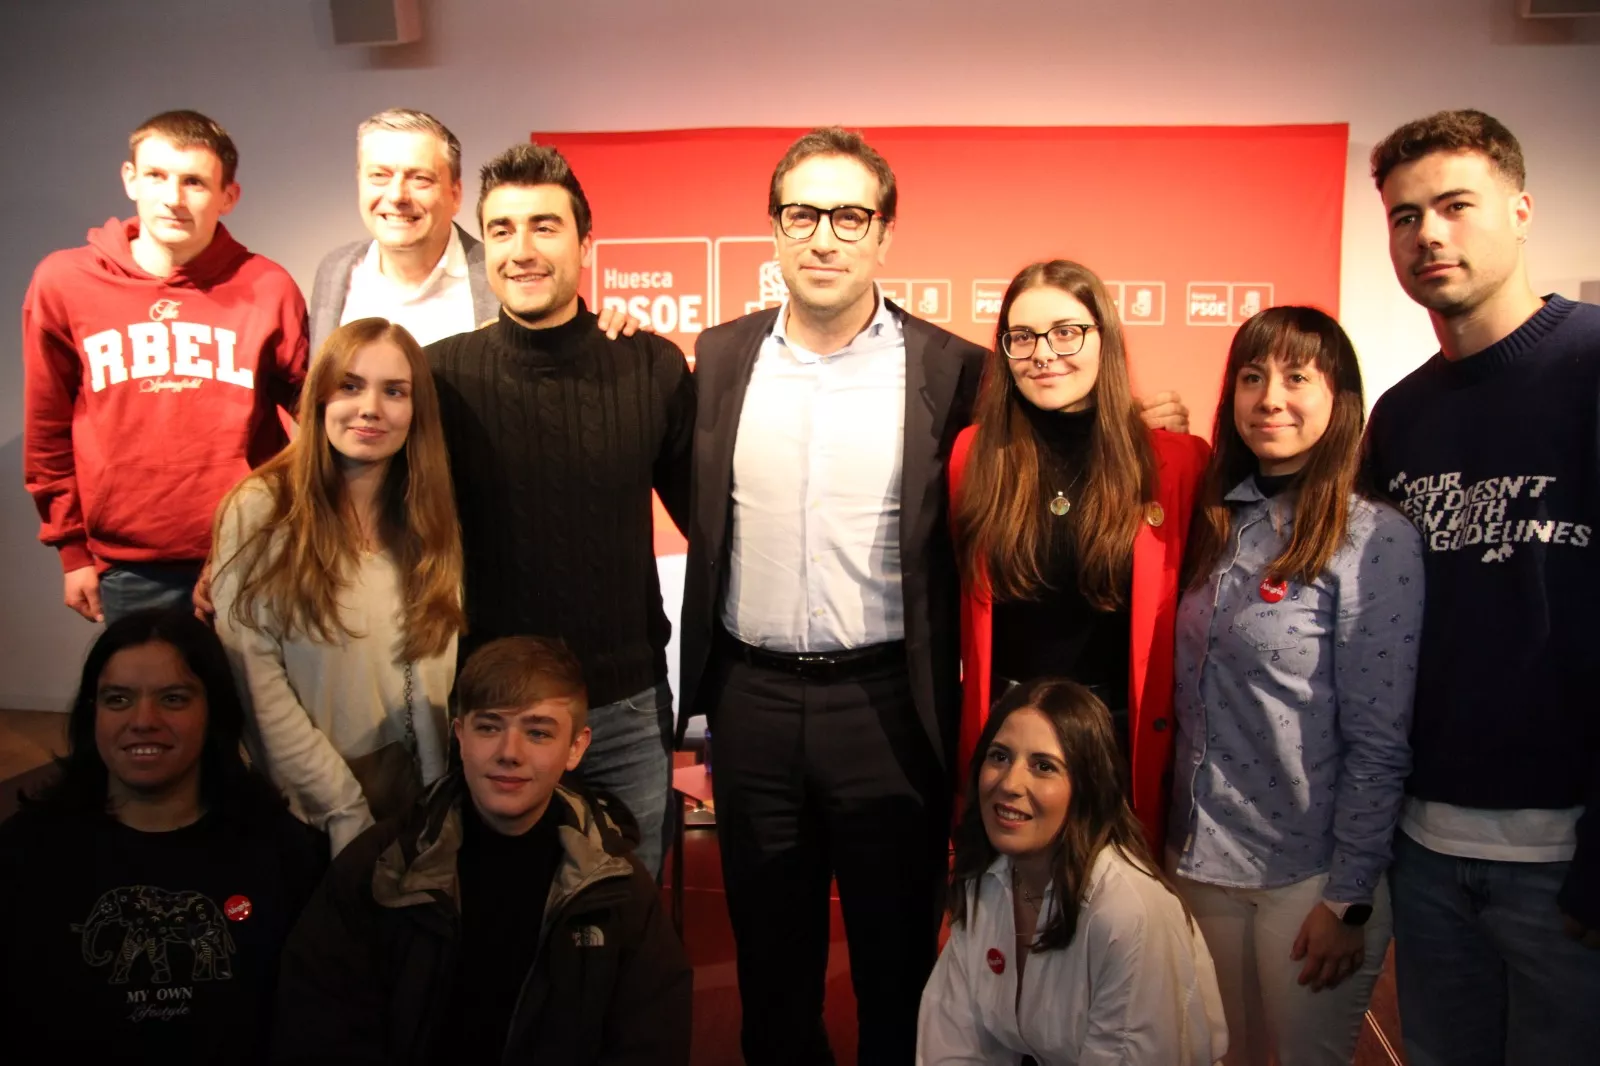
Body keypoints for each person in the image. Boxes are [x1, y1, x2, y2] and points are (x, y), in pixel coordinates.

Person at [678, 129, 1194, 1066]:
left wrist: (1140, 416)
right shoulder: (716, 358)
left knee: (900, 966)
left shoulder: (955, 369)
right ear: (775, 230)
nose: (824, 237)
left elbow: (1055, 440)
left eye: (849, 215)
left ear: (884, 234)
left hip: (888, 706)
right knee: (770, 967)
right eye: (802, 214)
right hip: (749, 702)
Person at [1362, 108, 1600, 1065]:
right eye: (1405, 215)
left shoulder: (1589, 366)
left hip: (1566, 861)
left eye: (1456, 205)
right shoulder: (1402, 414)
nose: (1429, 234)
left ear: (1522, 207)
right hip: (1427, 855)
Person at [425, 143, 694, 879]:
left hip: (623, 708)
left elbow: (715, 520)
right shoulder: (438, 375)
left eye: (544, 226)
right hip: (489, 711)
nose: (521, 249)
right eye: (502, 229)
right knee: (498, 920)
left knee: (624, 914)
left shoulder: (649, 364)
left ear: (584, 240)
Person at [1168, 306, 1424, 1065]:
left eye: (1295, 376)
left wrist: (1348, 899)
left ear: (1338, 396)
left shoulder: (1371, 538)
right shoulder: (1215, 522)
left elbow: (1381, 741)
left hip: (1307, 876)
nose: (1270, 397)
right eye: (1252, 377)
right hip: (1200, 859)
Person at [270, 635, 692, 1066]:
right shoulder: (379, 869)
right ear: (460, 736)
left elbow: (651, 1038)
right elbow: (319, 1025)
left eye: (538, 732)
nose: (509, 753)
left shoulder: (617, 888)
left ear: (576, 748)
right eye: (489, 726)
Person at [949, 259, 1209, 856]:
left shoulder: (1175, 462)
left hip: (1118, 737)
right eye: (1023, 337)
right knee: (1009, 923)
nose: (1044, 353)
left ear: (1104, 339)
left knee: (1114, 925)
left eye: (1066, 332)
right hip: (1007, 737)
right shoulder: (974, 458)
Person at [0, 608, 326, 1065]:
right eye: (117, 699)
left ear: (214, 711)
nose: (143, 720)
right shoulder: (24, 854)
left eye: (173, 699)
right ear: (91, 715)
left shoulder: (286, 853)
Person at [22, 110, 308, 624]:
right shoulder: (63, 282)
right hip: (126, 565)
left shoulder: (269, 288)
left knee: (247, 704)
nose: (173, 198)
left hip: (245, 554)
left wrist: (287, 529)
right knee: (143, 703)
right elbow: (47, 430)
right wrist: (69, 551)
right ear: (130, 178)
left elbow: (317, 418)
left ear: (228, 197)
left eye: (194, 182)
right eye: (156, 176)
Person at [210, 318, 465, 856]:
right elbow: (257, 683)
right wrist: (342, 809)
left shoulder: (429, 516)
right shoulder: (262, 508)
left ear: (417, 411)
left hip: (415, 803)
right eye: (350, 386)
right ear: (319, 397)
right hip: (310, 811)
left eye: (394, 391)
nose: (370, 408)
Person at [916, 678, 1227, 1065]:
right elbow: (953, 1044)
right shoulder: (987, 882)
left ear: (1087, 788)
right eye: (999, 756)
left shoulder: (1129, 913)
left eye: (1043, 766)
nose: (1010, 783)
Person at [308, 108, 638, 351]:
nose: (396, 196)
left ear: (455, 195)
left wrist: (611, 333)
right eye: (379, 175)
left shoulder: (505, 273)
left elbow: (564, 338)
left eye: (419, 178)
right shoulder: (336, 272)